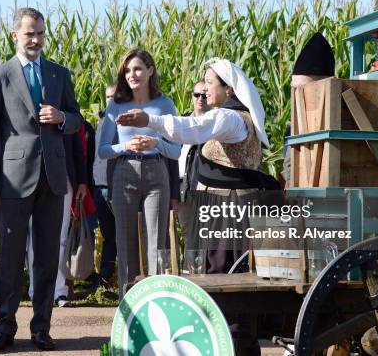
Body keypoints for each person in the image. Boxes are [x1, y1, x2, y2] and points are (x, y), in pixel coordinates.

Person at [117, 58, 276, 356]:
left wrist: (150, 120)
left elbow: (190, 128)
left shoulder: (230, 118)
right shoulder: (231, 116)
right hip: (224, 211)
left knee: (227, 282)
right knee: (225, 280)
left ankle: (236, 347)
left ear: (228, 89)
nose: (204, 87)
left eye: (210, 83)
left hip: (229, 214)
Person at [0, 7, 82, 352]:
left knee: (47, 258)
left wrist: (61, 117)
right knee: (9, 256)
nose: (35, 39)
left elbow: (77, 120)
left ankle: (42, 329)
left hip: (53, 178)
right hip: (12, 180)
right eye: (29, 34)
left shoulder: (58, 74)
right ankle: (5, 328)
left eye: (39, 33)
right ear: (15, 35)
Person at [97, 49, 181, 300]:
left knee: (157, 242)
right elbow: (102, 151)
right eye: (128, 70)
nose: (132, 74)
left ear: (150, 71)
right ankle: (128, 302)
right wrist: (126, 146)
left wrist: (156, 144)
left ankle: (156, 300)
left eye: (137, 69)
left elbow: (176, 151)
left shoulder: (165, 104)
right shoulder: (116, 105)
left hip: (157, 172)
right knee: (125, 241)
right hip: (124, 171)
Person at [26, 130, 88, 307]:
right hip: (31, 180)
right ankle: (35, 290)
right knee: (34, 240)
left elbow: (77, 150)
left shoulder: (64, 108)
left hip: (63, 180)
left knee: (60, 239)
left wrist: (82, 182)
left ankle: (59, 291)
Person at [87, 84, 117, 293]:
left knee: (121, 236)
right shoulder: (100, 122)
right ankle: (103, 279)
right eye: (107, 96)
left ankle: (117, 277)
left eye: (114, 96)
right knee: (107, 235)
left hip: (117, 187)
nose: (110, 100)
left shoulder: (125, 121)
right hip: (98, 187)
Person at [177, 81, 209, 247]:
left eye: (204, 95)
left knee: (204, 231)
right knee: (187, 231)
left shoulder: (213, 124)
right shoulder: (182, 122)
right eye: (197, 95)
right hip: (182, 185)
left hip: (203, 186)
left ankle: (203, 270)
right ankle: (191, 269)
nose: (200, 99)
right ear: (192, 97)